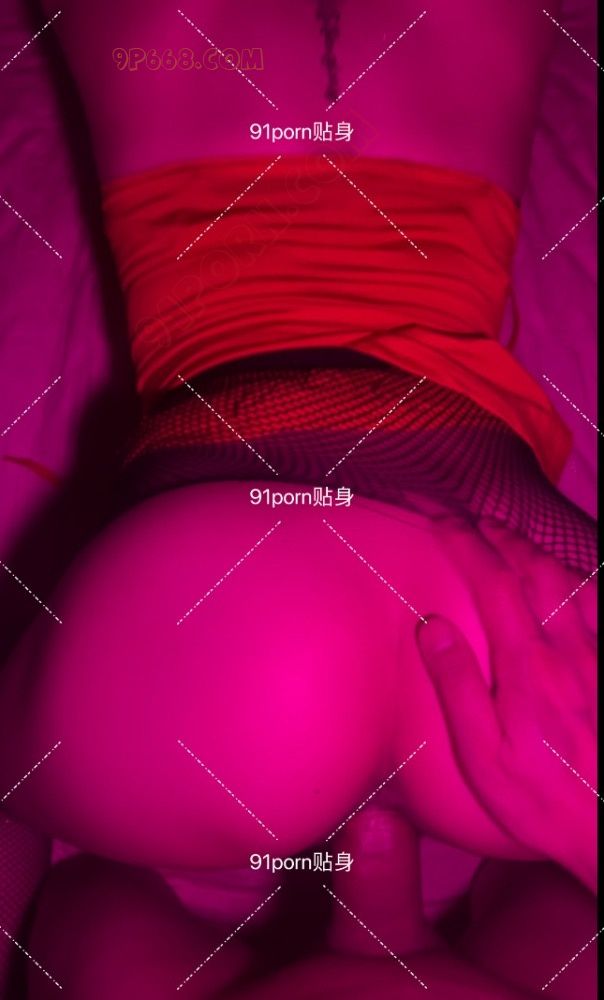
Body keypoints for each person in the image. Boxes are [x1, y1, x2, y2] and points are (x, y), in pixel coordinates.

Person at [0, 1, 597, 995]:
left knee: (548, 914)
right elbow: (85, 902)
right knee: (86, 904)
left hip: (488, 610)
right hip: (252, 645)